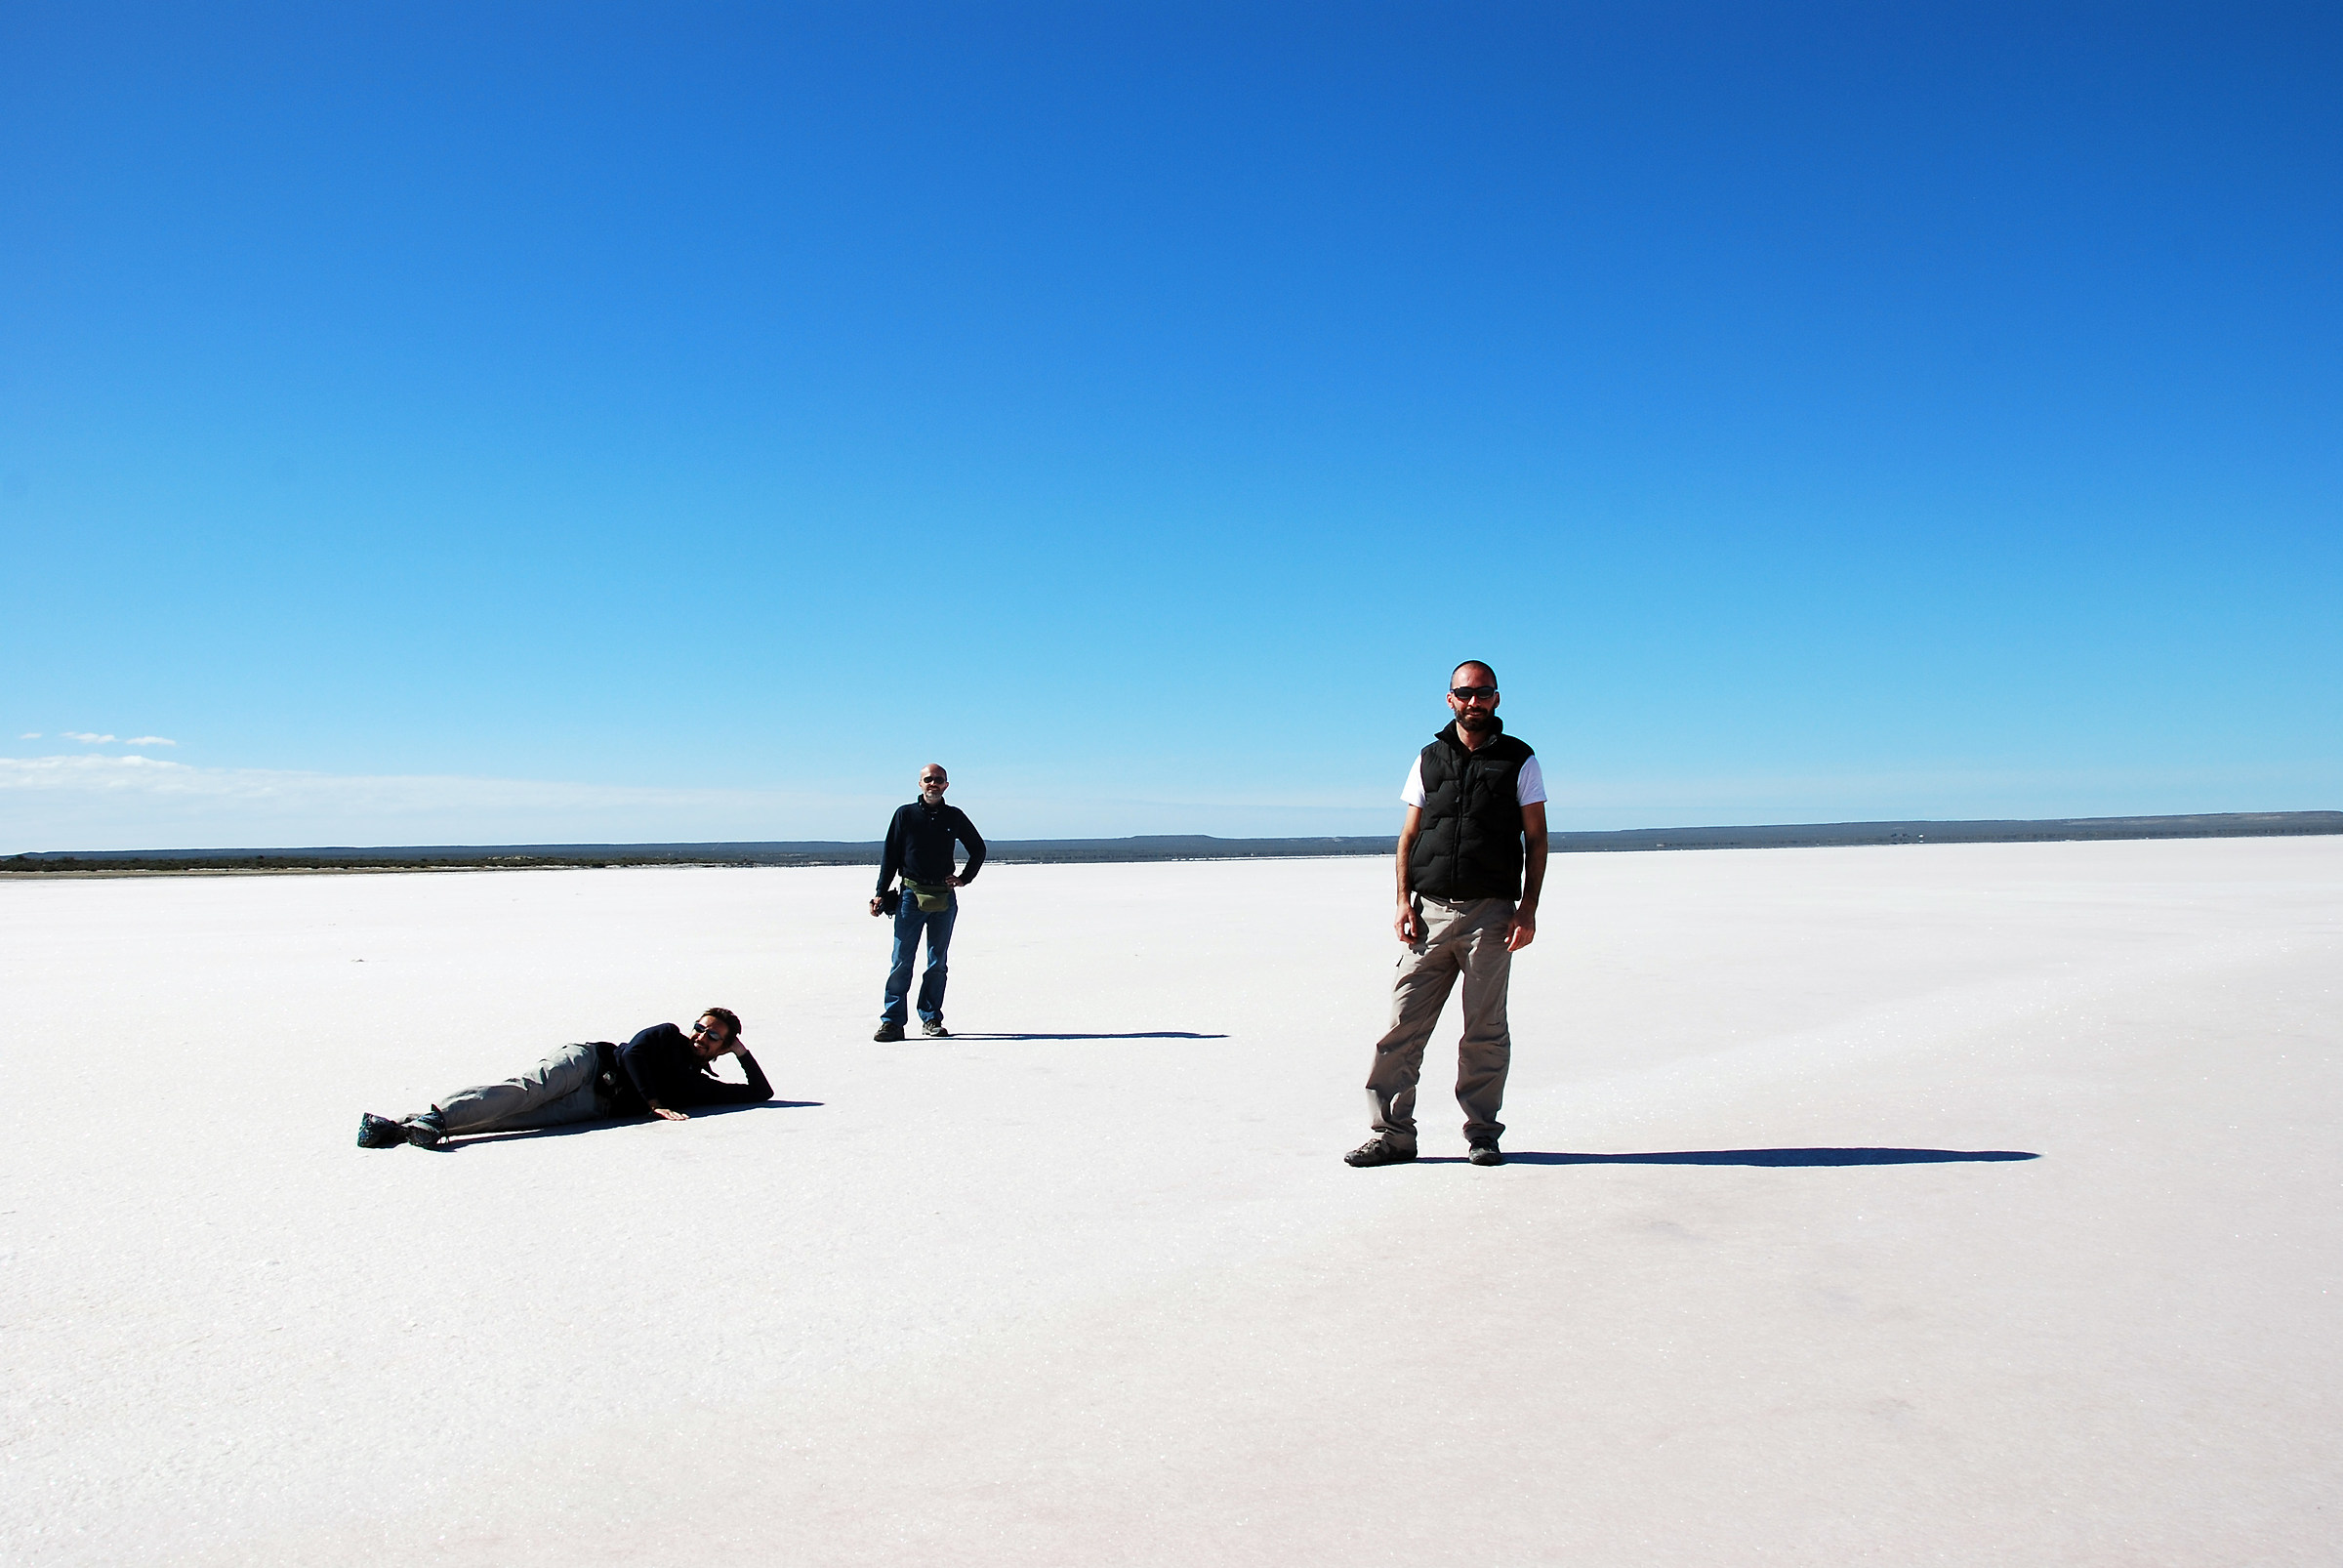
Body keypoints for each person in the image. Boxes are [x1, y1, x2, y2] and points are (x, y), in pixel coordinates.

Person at [1346, 661, 1548, 1169]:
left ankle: (1483, 1133)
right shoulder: (1429, 759)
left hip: (1492, 916)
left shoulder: (1519, 760)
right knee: (1402, 1025)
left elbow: (1537, 838)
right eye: (1465, 693)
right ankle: (1393, 1134)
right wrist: (1401, 901)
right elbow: (1409, 836)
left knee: (1484, 1029)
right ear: (1450, 699)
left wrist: (1527, 908)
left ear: (1497, 699)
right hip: (1430, 914)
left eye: (1484, 693)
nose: (1474, 702)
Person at [355, 1008, 772, 1148]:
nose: (701, 1036)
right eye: (700, 1027)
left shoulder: (699, 1085)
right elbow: (635, 1056)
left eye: (714, 1035)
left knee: (513, 1121)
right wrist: (652, 1103)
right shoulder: (664, 1035)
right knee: (523, 1092)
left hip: (596, 1105)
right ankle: (439, 1118)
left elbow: (760, 1093)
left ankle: (397, 1128)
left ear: (724, 1044)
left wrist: (744, 1054)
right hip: (588, 1064)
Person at [869, 763, 986, 1041]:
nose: (933, 784)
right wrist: (880, 892)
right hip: (910, 896)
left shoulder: (953, 816)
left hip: (943, 898)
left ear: (946, 785)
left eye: (939, 780)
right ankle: (892, 1022)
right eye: (928, 780)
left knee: (937, 962)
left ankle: (931, 1018)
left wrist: (964, 878)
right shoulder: (905, 815)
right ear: (920, 784)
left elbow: (978, 848)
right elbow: (891, 856)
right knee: (901, 961)